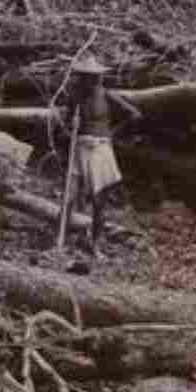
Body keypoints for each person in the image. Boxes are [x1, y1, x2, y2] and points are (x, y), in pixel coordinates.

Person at [61, 55, 142, 256]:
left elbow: (134, 114)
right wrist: (70, 129)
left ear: (98, 77)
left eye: (93, 76)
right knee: (71, 197)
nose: (89, 80)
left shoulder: (107, 95)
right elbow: (66, 122)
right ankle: (66, 240)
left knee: (98, 200)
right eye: (85, 76)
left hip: (100, 149)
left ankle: (95, 244)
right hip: (79, 147)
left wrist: (112, 133)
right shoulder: (75, 97)